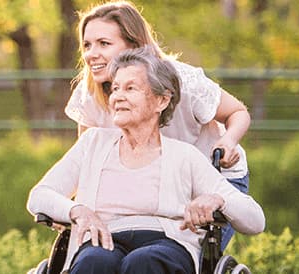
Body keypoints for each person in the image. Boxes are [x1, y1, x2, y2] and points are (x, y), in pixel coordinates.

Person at [27, 47, 264, 273]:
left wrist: (217, 200)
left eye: (130, 89)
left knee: (144, 262)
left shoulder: (184, 155)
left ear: (161, 100)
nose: (118, 96)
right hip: (101, 239)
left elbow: (255, 221)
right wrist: (76, 210)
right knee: (93, 262)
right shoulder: (93, 143)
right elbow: (38, 197)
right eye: (116, 88)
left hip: (167, 244)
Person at [64, 1, 253, 251]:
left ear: (134, 46)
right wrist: (70, 207)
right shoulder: (90, 93)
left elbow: (238, 112)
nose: (91, 54)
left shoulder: (182, 81)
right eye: (87, 45)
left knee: (181, 255)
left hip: (210, 179)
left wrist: (228, 141)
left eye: (104, 44)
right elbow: (86, 163)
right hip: (151, 184)